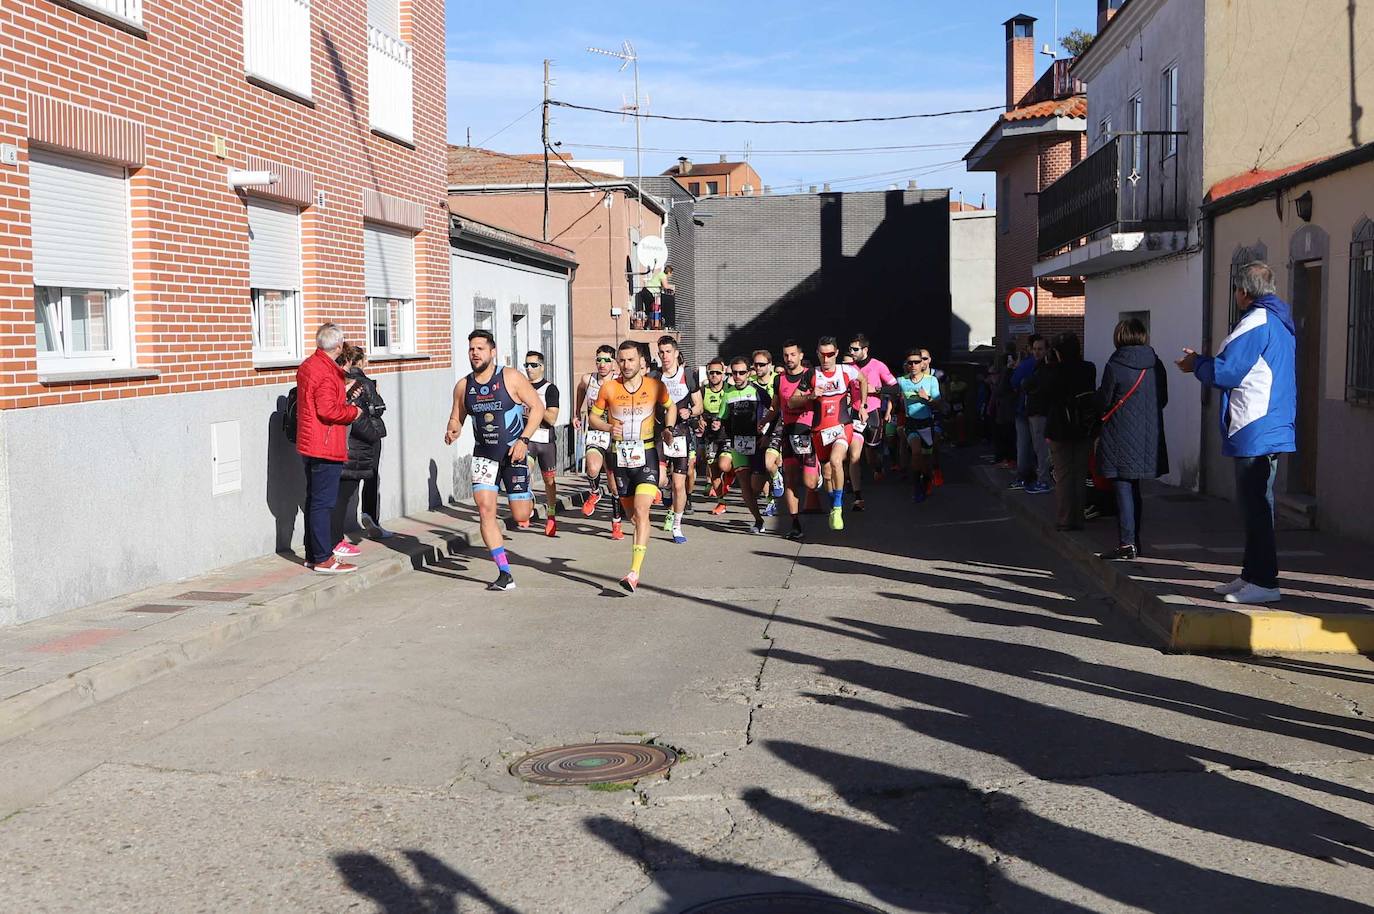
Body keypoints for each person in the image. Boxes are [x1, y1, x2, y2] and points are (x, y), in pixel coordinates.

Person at [1177, 260, 1297, 604]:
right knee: (1258, 503)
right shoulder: (1278, 320)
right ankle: (1251, 575)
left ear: (1244, 292)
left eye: (1235, 289)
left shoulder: (1257, 321)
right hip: (1270, 422)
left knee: (1255, 506)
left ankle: (1264, 581)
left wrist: (1196, 364)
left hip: (1255, 425)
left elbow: (1227, 372)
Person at [444, 330, 546, 591]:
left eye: (480, 348)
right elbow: (457, 416)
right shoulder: (464, 386)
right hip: (484, 455)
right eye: (471, 349)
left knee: (521, 515)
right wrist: (453, 428)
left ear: (492, 352)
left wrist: (524, 440)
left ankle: (529, 498)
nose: (475, 353)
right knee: (485, 510)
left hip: (513, 452)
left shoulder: (510, 377)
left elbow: (537, 408)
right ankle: (504, 572)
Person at [588, 340, 674, 593]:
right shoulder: (609, 387)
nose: (626, 365)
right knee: (633, 517)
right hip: (619, 457)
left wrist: (668, 429)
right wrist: (606, 426)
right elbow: (593, 416)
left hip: (646, 452)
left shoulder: (655, 386)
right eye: (622, 360)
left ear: (641, 361)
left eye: (631, 360)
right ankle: (640, 535)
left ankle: (634, 572)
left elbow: (671, 408)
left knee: (641, 510)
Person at [1094, 318, 1169, 561]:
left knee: (1123, 488)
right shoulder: (1156, 364)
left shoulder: (1115, 365)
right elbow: (1163, 399)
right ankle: (1134, 540)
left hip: (1119, 434)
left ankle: (1127, 543)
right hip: (1148, 435)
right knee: (1134, 487)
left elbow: (1103, 401)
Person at [296, 323, 363, 574]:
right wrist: (353, 411)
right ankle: (323, 557)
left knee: (314, 500)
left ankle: (314, 554)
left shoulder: (309, 365)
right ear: (337, 345)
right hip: (324, 443)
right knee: (323, 503)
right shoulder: (325, 371)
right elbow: (327, 409)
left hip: (310, 442)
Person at [791, 337, 866, 531]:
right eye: (822, 354)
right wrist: (811, 395)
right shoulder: (811, 375)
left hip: (842, 426)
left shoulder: (846, 370)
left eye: (830, 354)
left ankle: (838, 507)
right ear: (817, 354)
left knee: (836, 461)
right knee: (826, 472)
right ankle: (834, 503)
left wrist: (862, 405)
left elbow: (863, 380)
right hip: (819, 431)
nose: (826, 359)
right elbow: (792, 401)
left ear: (837, 353)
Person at [331, 344, 391, 553]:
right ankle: (369, 516)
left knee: (344, 488)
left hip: (344, 442)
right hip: (365, 440)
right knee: (371, 476)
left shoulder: (336, 382)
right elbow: (379, 407)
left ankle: (336, 536)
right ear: (360, 361)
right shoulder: (364, 383)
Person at [1042, 333, 1097, 531]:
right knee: (1080, 473)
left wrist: (1050, 365)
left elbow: (1045, 394)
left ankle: (1066, 519)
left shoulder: (1054, 371)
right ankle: (1079, 517)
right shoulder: (1088, 368)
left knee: (1063, 474)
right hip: (1084, 426)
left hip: (1060, 427)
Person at [708, 355, 769, 534]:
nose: (738, 376)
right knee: (745, 486)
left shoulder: (759, 391)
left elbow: (775, 411)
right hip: (738, 443)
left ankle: (770, 488)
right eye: (734, 373)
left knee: (755, 485)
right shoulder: (728, 393)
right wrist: (717, 423)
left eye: (742, 372)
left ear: (749, 373)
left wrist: (768, 434)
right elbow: (722, 416)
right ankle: (758, 520)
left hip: (757, 442)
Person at [653, 336, 702, 544]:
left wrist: (689, 412)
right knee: (661, 479)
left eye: (667, 352)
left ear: (675, 353)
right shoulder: (654, 376)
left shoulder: (688, 375)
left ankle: (677, 526)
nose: (664, 356)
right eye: (661, 352)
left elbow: (699, 406)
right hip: (660, 434)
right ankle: (666, 495)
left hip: (682, 434)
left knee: (679, 484)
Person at [576, 345, 623, 538]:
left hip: (614, 436)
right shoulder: (588, 380)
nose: (602, 364)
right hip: (595, 432)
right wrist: (576, 413)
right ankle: (595, 491)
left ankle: (616, 524)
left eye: (606, 360)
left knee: (614, 486)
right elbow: (580, 390)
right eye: (598, 360)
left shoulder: (618, 382)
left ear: (613, 363)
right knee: (593, 469)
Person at [775, 340, 820, 540]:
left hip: (807, 431)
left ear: (800, 355)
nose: (789, 359)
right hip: (788, 432)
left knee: (809, 482)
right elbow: (776, 406)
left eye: (793, 354)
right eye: (786, 355)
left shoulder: (811, 376)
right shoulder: (780, 379)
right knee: (790, 479)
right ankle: (795, 523)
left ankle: (817, 469)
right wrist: (765, 424)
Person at [846, 334, 897, 510]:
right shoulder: (848, 368)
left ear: (865, 350)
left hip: (873, 412)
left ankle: (878, 466)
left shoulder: (877, 365)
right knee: (854, 454)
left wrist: (879, 389)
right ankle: (857, 496)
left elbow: (895, 387)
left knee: (871, 452)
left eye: (855, 349)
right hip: (855, 413)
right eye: (850, 349)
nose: (851, 352)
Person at [523, 351, 561, 538]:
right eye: (527, 365)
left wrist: (535, 405)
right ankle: (528, 503)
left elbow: (552, 419)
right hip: (528, 439)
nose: (529, 369)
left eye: (533, 365)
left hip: (545, 440)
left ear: (542, 367)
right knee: (524, 472)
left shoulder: (550, 389)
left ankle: (551, 515)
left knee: (549, 481)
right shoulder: (521, 387)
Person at [897, 349, 941, 502]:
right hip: (911, 423)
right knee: (916, 452)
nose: (914, 365)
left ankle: (927, 479)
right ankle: (916, 487)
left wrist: (927, 398)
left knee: (926, 460)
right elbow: (886, 390)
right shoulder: (902, 381)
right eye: (911, 363)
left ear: (923, 364)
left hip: (926, 423)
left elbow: (938, 404)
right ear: (907, 365)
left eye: (917, 362)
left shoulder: (931, 380)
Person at [1015, 335, 1053, 493]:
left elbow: (1018, 382)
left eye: (1040, 349)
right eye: (1035, 349)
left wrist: (1027, 384)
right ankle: (1041, 478)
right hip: (1033, 411)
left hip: (1040, 412)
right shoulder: (1037, 366)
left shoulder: (1046, 367)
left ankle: (1044, 480)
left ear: (1047, 350)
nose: (1036, 352)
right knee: (1037, 447)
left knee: (1041, 448)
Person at [700, 359, 731, 515]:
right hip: (710, 436)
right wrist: (700, 421)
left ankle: (730, 476)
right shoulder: (703, 390)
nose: (714, 375)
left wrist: (723, 421)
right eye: (711, 372)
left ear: (723, 374)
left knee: (724, 465)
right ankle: (721, 502)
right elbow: (698, 409)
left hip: (727, 434)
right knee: (713, 470)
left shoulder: (729, 389)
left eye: (717, 372)